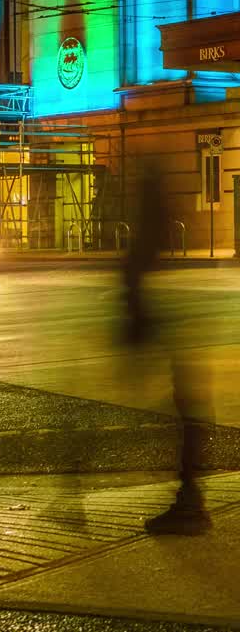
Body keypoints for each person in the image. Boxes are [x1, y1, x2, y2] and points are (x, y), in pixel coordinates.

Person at [123, 159, 212, 535]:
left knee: (186, 409)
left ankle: (190, 502)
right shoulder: (161, 221)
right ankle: (189, 497)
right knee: (185, 407)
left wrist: (136, 320)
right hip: (176, 323)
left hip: (171, 322)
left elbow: (139, 269)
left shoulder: (152, 224)